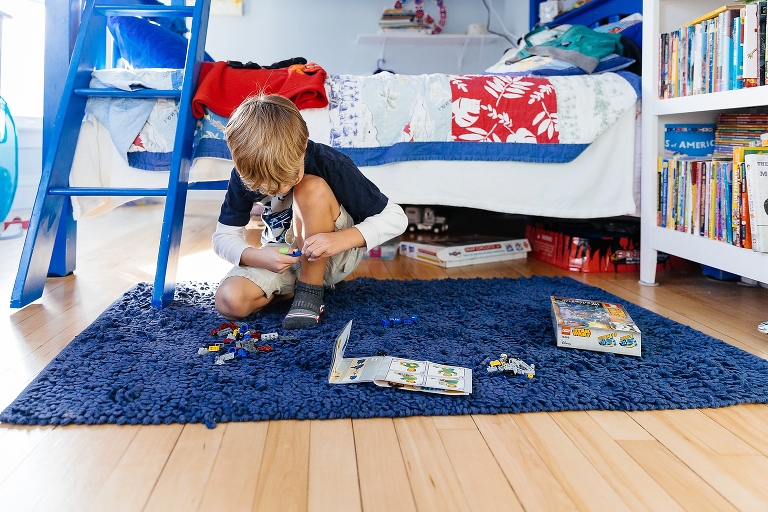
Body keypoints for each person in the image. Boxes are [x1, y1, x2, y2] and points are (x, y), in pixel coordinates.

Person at [212, 94, 408, 329]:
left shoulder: (330, 163)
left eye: (287, 178)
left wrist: (339, 240)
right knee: (229, 301)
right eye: (265, 187)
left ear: (303, 145)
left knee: (310, 187)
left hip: (332, 253)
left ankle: (311, 291)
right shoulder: (245, 173)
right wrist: (256, 256)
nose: (281, 189)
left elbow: (396, 218)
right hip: (284, 254)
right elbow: (223, 237)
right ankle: (301, 290)